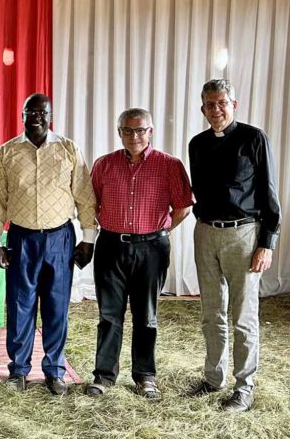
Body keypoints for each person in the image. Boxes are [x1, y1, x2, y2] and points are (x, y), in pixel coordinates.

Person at [0, 94, 97, 395]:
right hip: (22, 238)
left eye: (41, 112)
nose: (35, 116)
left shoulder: (68, 149)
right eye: (29, 112)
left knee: (56, 305)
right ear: (22, 115)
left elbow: (85, 196)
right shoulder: (7, 152)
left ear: (50, 116)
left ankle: (54, 370)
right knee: (20, 305)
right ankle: (18, 371)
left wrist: (88, 239)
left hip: (60, 238)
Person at [87, 108, 193, 399]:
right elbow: (91, 204)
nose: (134, 136)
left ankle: (145, 376)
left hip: (152, 248)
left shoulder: (169, 165)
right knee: (109, 315)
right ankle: (104, 375)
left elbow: (183, 206)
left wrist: (159, 232)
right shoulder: (103, 165)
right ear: (119, 132)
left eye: (140, 130)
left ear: (151, 131)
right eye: (128, 130)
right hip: (110, 246)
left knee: (146, 315)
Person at [188, 79, 281, 411]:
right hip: (205, 233)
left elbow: (270, 194)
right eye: (210, 105)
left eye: (222, 103)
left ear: (234, 105)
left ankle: (244, 387)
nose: (216, 110)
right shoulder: (197, 144)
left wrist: (266, 243)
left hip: (244, 235)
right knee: (211, 313)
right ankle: (214, 378)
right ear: (203, 109)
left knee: (243, 316)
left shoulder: (253, 138)